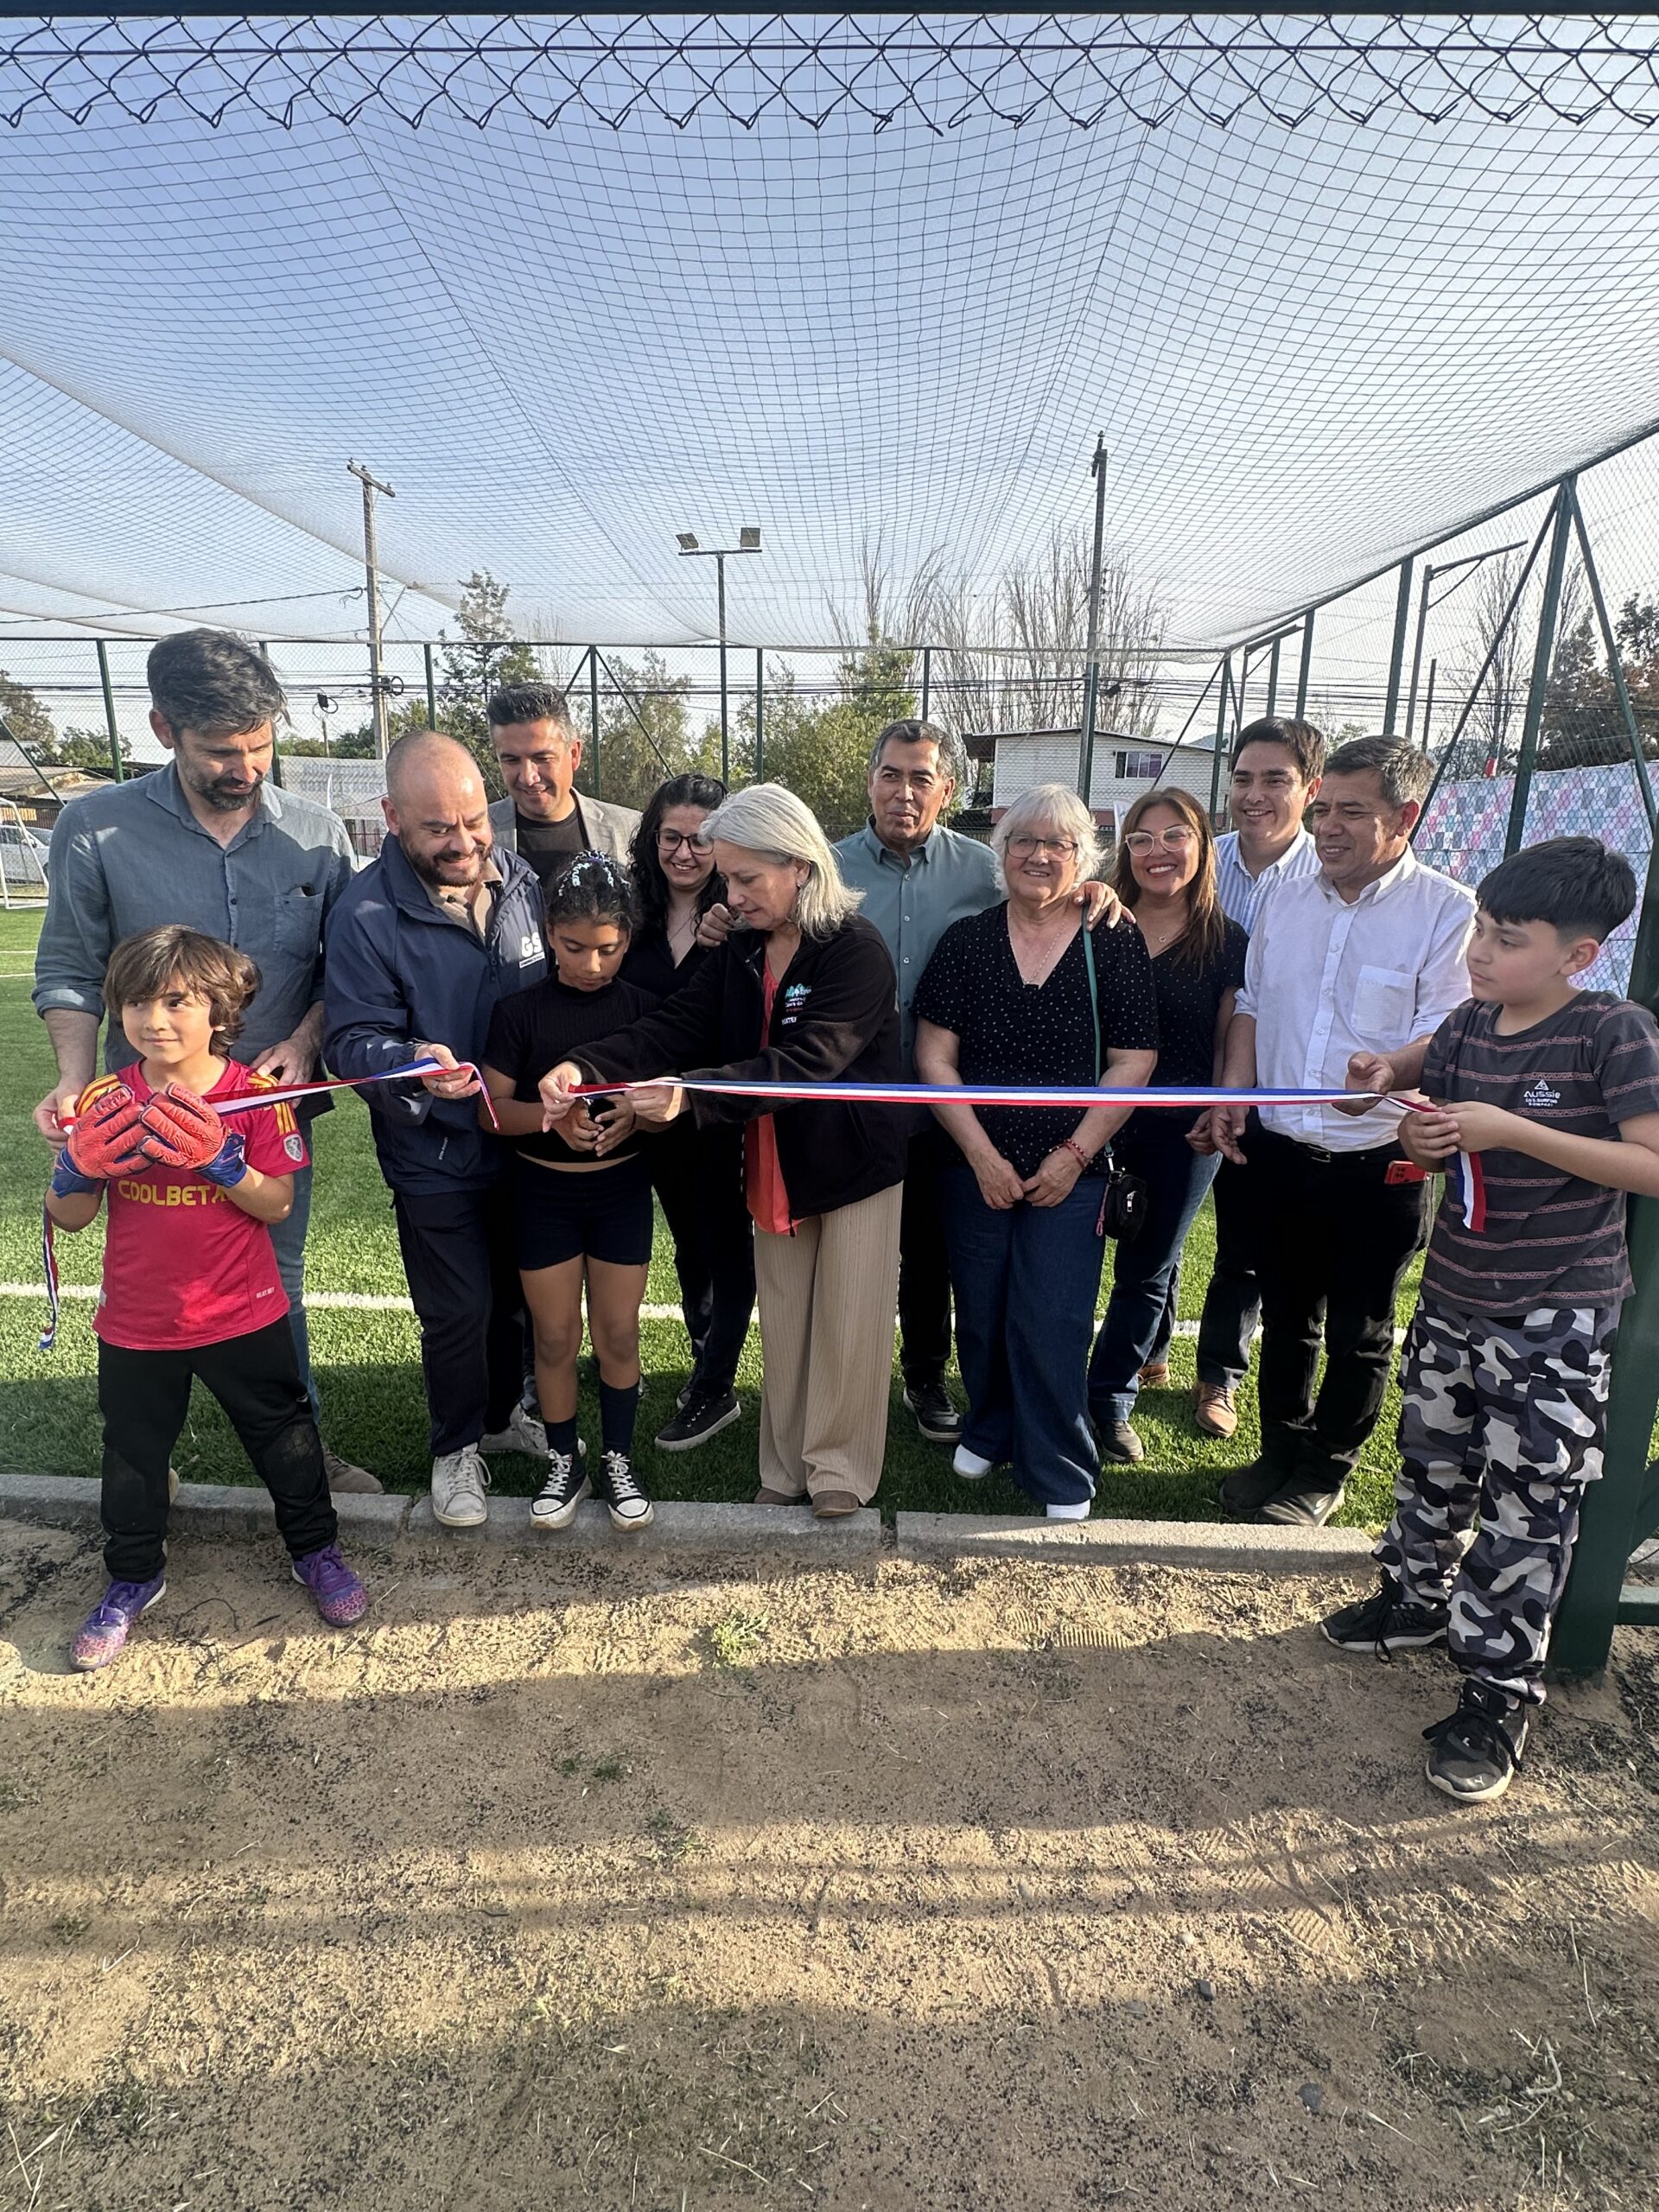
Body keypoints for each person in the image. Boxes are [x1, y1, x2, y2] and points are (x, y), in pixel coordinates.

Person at [1325, 838, 1659, 1802]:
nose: (1479, 950)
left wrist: (1512, 1130)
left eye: (1506, 938)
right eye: (1479, 928)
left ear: (1577, 955)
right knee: (1430, 1463)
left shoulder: (1613, 1032)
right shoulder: (1473, 1024)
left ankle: (1500, 1688)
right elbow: (1424, 1111)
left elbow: (1649, 1161)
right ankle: (1415, 1599)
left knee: (1530, 1503)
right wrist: (1414, 1121)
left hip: (1555, 1317)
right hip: (1455, 1296)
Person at [30, 627, 375, 1491]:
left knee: (279, 1275)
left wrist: (302, 1044)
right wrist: (75, 1080)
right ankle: (146, 1465)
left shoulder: (317, 830)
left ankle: (302, 1461)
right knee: (147, 1285)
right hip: (136, 1112)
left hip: (270, 1109)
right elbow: (70, 968)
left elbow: (345, 968)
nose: (248, 766)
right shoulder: (95, 827)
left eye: (261, 745)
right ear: (162, 730)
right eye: (223, 751)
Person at [541, 783, 907, 1518]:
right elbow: (674, 1025)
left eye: (745, 878)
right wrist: (585, 1064)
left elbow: (808, 1063)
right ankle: (784, 1464)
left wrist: (691, 1095)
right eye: (728, 878)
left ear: (800, 866)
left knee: (848, 1319)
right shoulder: (741, 945)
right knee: (787, 1316)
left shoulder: (855, 950)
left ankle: (838, 1469)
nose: (731, 896)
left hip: (854, 1168)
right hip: (771, 1157)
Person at [47, 925, 369, 1671]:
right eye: (134, 1002)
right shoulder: (104, 1099)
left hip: (243, 1312)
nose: (153, 1019)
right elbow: (71, 1218)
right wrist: (76, 1170)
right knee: (132, 1454)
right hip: (137, 1318)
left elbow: (278, 1205)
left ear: (220, 1010)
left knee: (286, 1443)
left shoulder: (254, 1097)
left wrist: (222, 1162)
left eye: (175, 1001)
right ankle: (133, 1575)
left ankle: (316, 1552)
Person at [1196, 735, 1474, 1529]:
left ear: (1405, 818)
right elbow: (1250, 1003)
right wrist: (1234, 1094)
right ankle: (1278, 1450)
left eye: (1355, 812)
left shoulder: (1447, 913)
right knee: (1285, 1313)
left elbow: (1446, 1032)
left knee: (1360, 1328)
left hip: (1376, 1158)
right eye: (1325, 810)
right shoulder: (1285, 898)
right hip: (1277, 1149)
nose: (1329, 828)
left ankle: (1326, 1472)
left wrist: (1391, 1069)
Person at [835, 720, 1116, 1449]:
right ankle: (845, 1383)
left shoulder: (979, 868)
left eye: (921, 778)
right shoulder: (825, 868)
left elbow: (1044, 887)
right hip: (852, 1104)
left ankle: (926, 1377)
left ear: (946, 790)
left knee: (932, 1255)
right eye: (891, 775)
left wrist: (1093, 889)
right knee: (851, 1254)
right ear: (870, 781)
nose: (904, 792)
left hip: (945, 1106)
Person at [322, 731, 550, 1529]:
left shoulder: (519, 878)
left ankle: (499, 1418)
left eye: (472, 821)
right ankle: (455, 1447)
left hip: (523, 1142)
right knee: (457, 1309)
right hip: (436, 1153)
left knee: (517, 1299)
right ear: (391, 818)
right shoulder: (365, 913)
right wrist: (409, 1059)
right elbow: (348, 1040)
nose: (464, 843)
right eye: (438, 830)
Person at [913, 784, 1158, 1519]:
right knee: (982, 1314)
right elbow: (933, 1058)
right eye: (1025, 841)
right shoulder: (967, 940)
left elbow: (1134, 1061)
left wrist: (1074, 1155)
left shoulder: (1111, 939)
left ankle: (1057, 1463)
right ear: (1002, 850)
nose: (1040, 856)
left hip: (1072, 1171)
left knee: (1051, 1317)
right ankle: (990, 1428)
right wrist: (983, 1156)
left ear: (1083, 858)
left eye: (1059, 845)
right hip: (972, 1166)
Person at [481, 856, 658, 1532]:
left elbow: (665, 1098)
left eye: (609, 949)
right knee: (554, 1337)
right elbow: (490, 1111)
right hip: (541, 1197)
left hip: (620, 1195)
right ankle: (566, 1461)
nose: (591, 964)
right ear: (550, 934)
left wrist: (634, 1117)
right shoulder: (519, 1012)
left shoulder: (642, 1012)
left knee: (618, 1331)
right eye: (576, 947)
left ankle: (617, 1457)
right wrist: (549, 1116)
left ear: (628, 940)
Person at [1085, 788, 1248, 1463]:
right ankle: (1144, 1354)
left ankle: (1108, 1397)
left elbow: (1227, 1033)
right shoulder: (1094, 922)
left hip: (1181, 1125)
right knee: (1085, 1255)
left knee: (1149, 1265)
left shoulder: (1224, 939)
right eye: (1142, 838)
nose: (1157, 852)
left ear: (1202, 846)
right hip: (1096, 1120)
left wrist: (1217, 1103)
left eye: (1174, 835)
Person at [1174, 717, 1325, 1440]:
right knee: (1168, 1218)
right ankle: (1146, 1351)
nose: (1254, 795)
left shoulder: (1325, 877)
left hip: (1281, 1092)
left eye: (1275, 780)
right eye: (1242, 779)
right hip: (1189, 1076)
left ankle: (1217, 1377)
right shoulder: (1204, 861)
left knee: (1245, 1244)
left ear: (1309, 790)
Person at [621, 773, 755, 1449]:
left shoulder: (740, 912)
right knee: (676, 1242)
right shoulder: (630, 911)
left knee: (722, 1244)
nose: (684, 852)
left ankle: (715, 1379)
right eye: (671, 837)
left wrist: (732, 928)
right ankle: (691, 1345)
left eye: (701, 839)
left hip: (708, 1111)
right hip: (634, 1113)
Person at [486, 682, 641, 893]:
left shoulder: (633, 830)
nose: (528, 777)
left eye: (542, 758)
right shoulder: (476, 836)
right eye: (511, 760)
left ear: (574, 754)